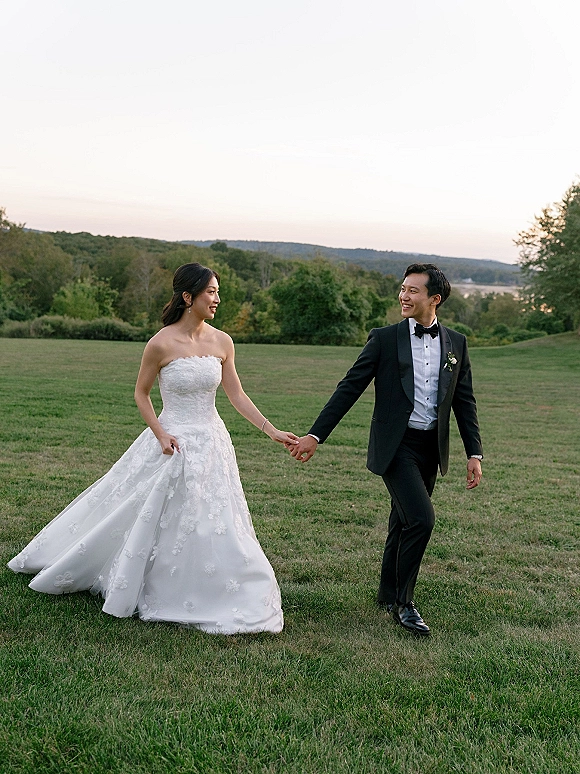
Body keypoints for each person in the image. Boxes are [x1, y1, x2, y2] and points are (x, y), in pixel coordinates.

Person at [9, 263, 298, 635]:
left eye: (218, 291)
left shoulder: (223, 341)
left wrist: (270, 430)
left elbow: (236, 394)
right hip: (171, 440)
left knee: (211, 513)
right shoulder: (160, 343)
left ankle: (215, 579)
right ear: (187, 296)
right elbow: (141, 394)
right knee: (146, 509)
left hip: (212, 441)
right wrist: (161, 434)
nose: (217, 299)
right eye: (211, 292)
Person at [288, 263, 483, 636]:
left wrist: (474, 453)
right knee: (421, 520)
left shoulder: (456, 343)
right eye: (403, 288)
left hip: (431, 448)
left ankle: (386, 592)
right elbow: (349, 388)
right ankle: (404, 604)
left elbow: (464, 400)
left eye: (413, 291)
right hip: (396, 446)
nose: (403, 296)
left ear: (434, 299)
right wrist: (316, 435)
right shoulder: (384, 338)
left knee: (402, 519)